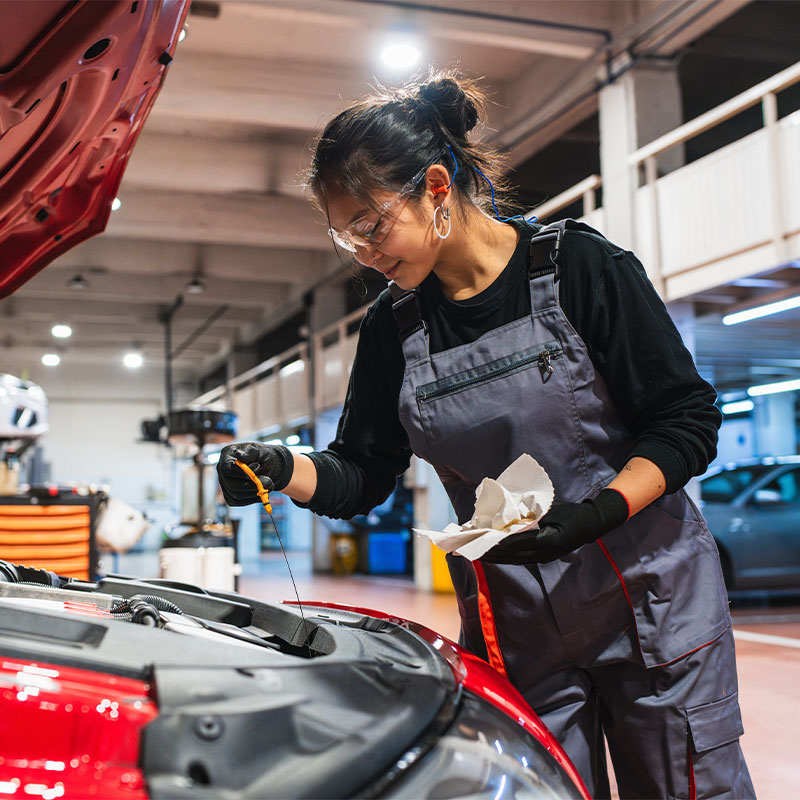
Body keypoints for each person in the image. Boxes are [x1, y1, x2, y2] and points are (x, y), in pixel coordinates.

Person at [217, 72, 755, 799]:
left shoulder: (579, 269)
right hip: (520, 624)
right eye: (349, 239)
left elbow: (685, 418)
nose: (369, 254)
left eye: (374, 225)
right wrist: (281, 466)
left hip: (653, 602)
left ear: (436, 186)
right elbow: (362, 472)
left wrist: (598, 513)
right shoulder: (393, 328)